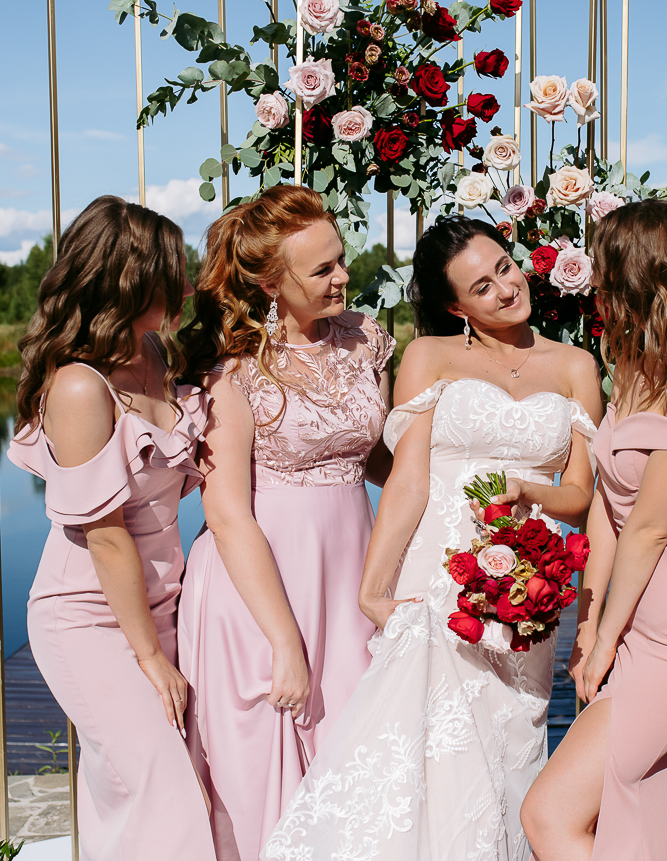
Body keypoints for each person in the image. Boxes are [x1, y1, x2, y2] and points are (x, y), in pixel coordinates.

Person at [262, 216, 602, 860]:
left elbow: (581, 495)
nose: (507, 288)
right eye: (482, 287)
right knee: (434, 752)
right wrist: (373, 590)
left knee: (512, 740)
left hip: (528, 585)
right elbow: (408, 481)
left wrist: (527, 492)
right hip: (438, 578)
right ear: (456, 308)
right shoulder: (428, 357)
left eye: (505, 267)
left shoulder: (576, 366)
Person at [173, 184, 394, 861]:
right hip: (259, 594)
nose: (343, 277)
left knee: (356, 767)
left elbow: (376, 457)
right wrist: (284, 641)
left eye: (341, 259)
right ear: (271, 283)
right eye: (322, 269)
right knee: (268, 791)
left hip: (349, 581)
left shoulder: (366, 341)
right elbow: (227, 515)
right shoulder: (234, 374)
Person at [521, 199, 667, 861]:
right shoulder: (635, 368)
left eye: (607, 273)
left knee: (548, 815)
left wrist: (607, 637)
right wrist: (589, 624)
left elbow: (650, 526)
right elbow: (609, 511)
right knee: (640, 814)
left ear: (643, 274)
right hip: (630, 620)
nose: (597, 289)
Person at [7, 195, 216, 861]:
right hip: (89, 616)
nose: (187, 284)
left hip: (163, 604)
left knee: (134, 792)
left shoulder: (154, 350)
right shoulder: (79, 387)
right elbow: (105, 535)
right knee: (163, 790)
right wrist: (150, 658)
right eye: (172, 272)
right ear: (130, 279)